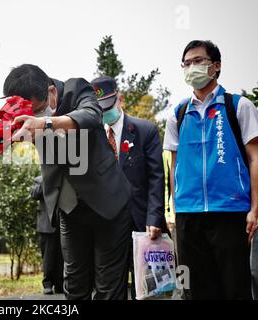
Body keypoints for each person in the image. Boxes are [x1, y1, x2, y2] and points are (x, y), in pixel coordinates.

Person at [3, 64, 132, 300]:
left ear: (51, 91)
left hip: (108, 203)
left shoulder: (77, 89)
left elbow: (91, 116)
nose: (35, 117)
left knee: (108, 287)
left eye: (39, 110)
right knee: (74, 284)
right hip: (69, 208)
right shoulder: (22, 113)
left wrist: (45, 123)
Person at [164, 40, 258, 299]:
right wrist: (174, 207)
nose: (191, 67)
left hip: (230, 212)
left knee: (234, 286)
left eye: (198, 61)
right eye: (186, 63)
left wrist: (254, 208)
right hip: (188, 215)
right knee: (195, 290)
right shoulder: (178, 114)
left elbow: (255, 158)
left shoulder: (238, 106)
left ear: (215, 67)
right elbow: (175, 164)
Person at [90, 76, 165, 299]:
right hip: (107, 224)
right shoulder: (92, 137)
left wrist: (154, 217)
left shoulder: (144, 130)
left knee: (148, 288)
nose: (105, 113)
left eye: (108, 106)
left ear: (119, 99)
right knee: (111, 287)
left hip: (140, 221)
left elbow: (156, 178)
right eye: (99, 109)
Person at [31, 175, 64, 295]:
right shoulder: (39, 179)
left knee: (62, 255)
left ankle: (60, 284)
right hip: (47, 224)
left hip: (63, 222)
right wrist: (46, 179)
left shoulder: (63, 176)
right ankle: (48, 283)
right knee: (48, 256)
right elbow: (34, 194)